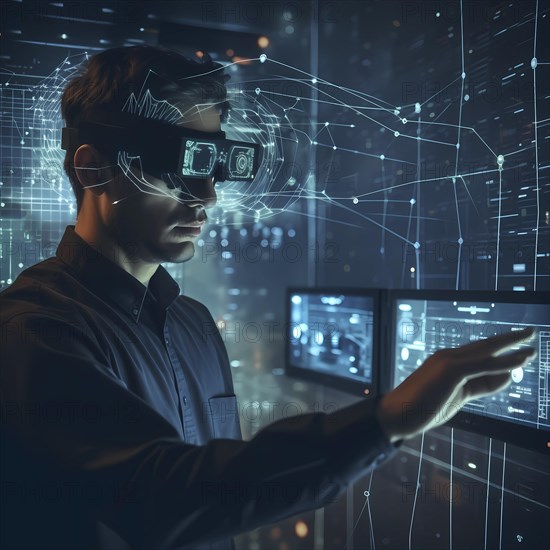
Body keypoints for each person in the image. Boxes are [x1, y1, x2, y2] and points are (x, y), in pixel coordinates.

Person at [0, 45, 536, 550]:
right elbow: (161, 496)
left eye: (214, 162)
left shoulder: (194, 325)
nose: (207, 194)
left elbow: (220, 497)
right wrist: (383, 420)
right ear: (93, 167)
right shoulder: (34, 331)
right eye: (180, 160)